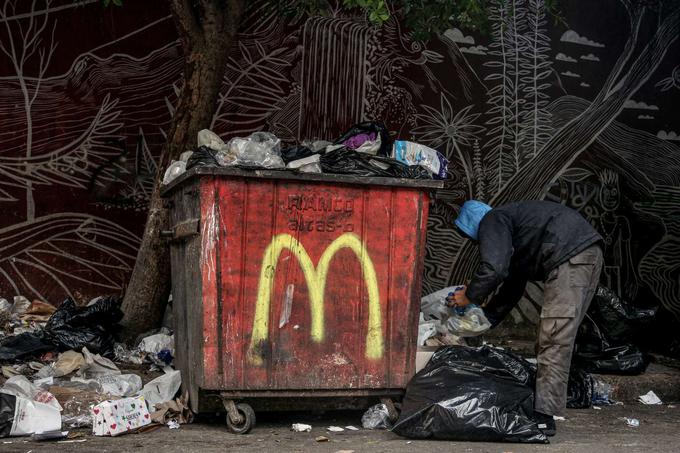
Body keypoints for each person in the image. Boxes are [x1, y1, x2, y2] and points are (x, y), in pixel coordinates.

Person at [448, 200, 603, 436]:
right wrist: (485, 320)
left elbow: (494, 269)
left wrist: (468, 296)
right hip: (587, 253)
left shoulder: (493, 219)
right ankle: (547, 402)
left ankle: (543, 417)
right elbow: (512, 288)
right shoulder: (517, 233)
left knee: (554, 339)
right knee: (559, 337)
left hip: (571, 258)